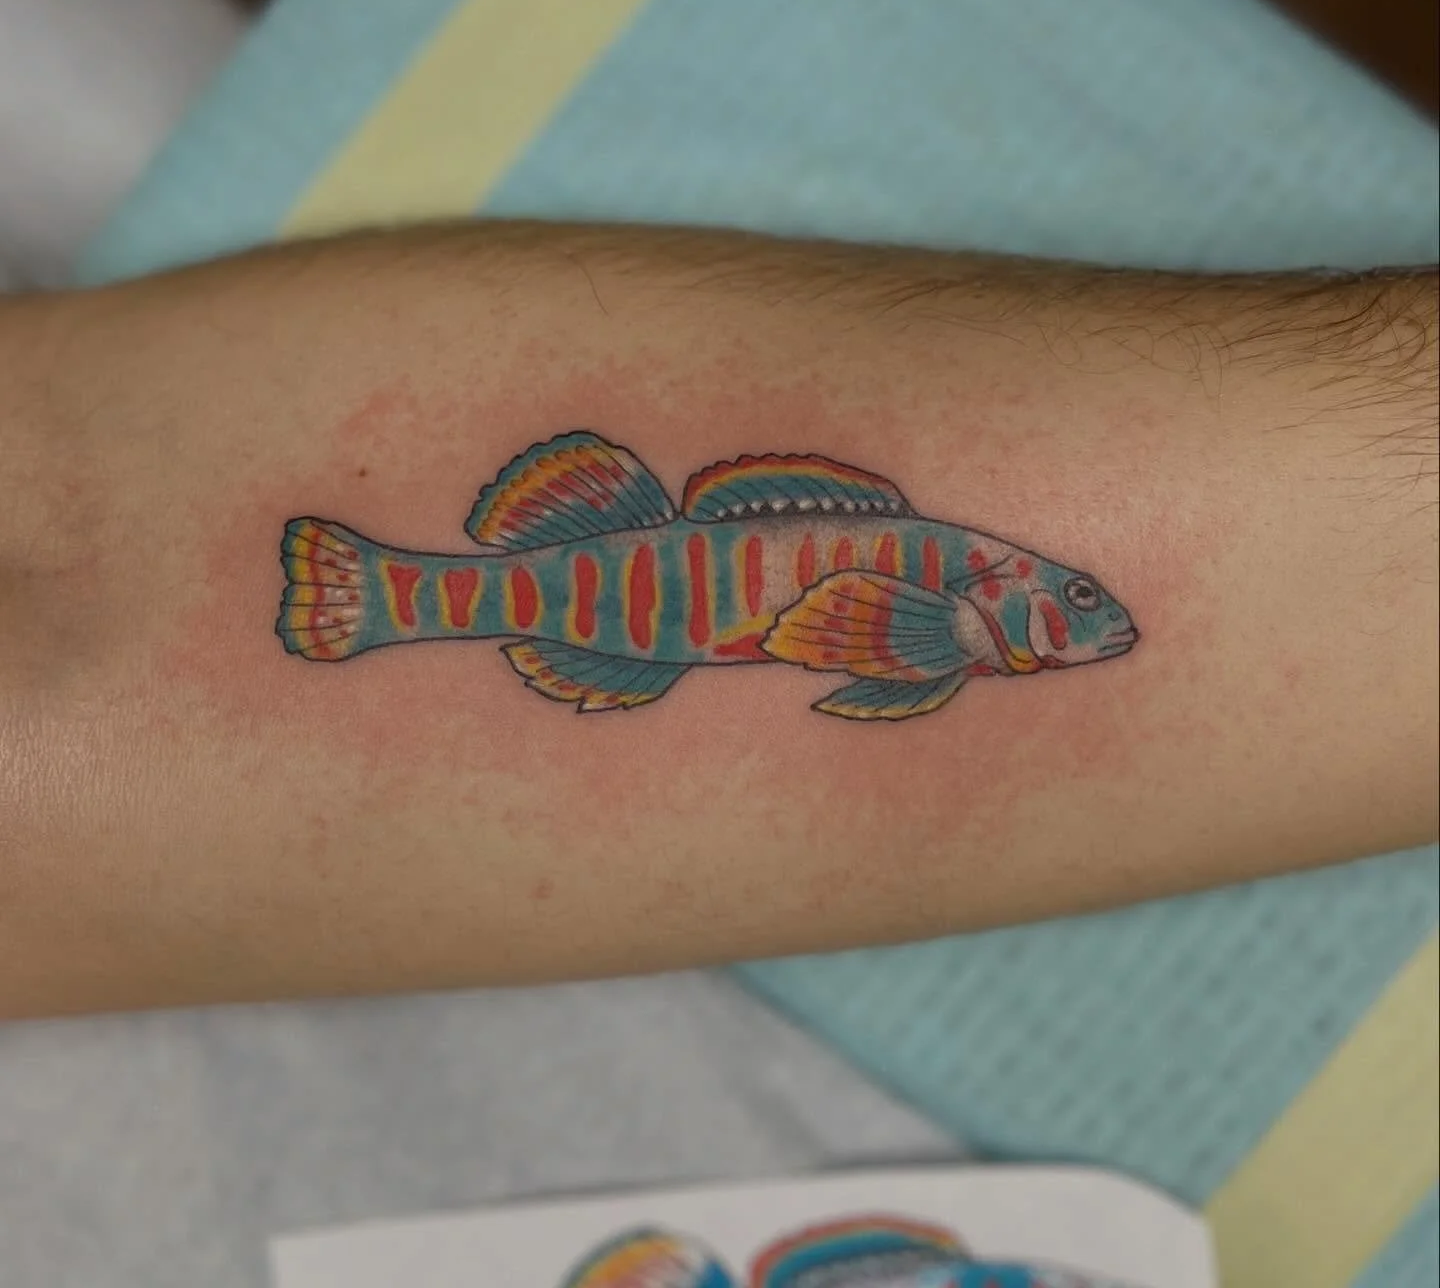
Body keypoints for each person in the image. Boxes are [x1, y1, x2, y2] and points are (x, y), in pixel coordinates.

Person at [1, 222, 1434, 1018]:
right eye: (1069, 597)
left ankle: (399, 593)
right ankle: (399, 592)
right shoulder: (940, 606)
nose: (1086, 614)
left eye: (1073, 602)